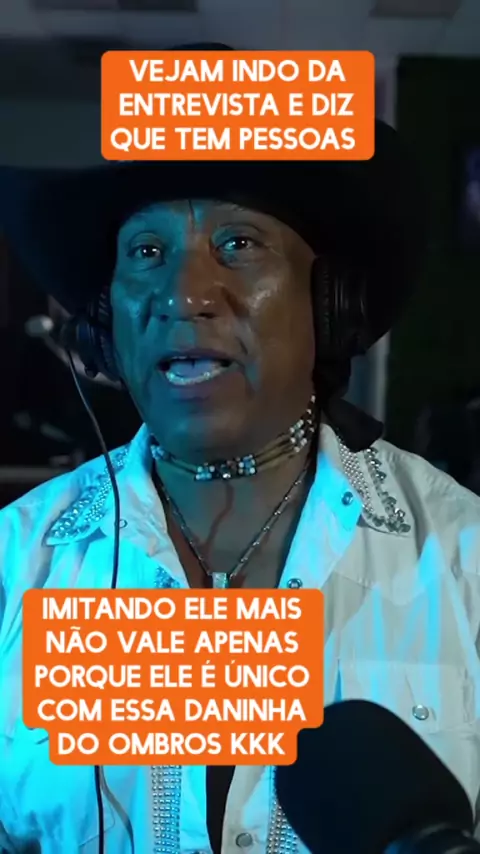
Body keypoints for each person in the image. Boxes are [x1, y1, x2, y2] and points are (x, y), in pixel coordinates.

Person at [0, 54, 480, 853]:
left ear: (328, 306)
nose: (185, 293)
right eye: (145, 253)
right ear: (102, 326)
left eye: (239, 243)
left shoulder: (464, 559)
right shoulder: (17, 562)